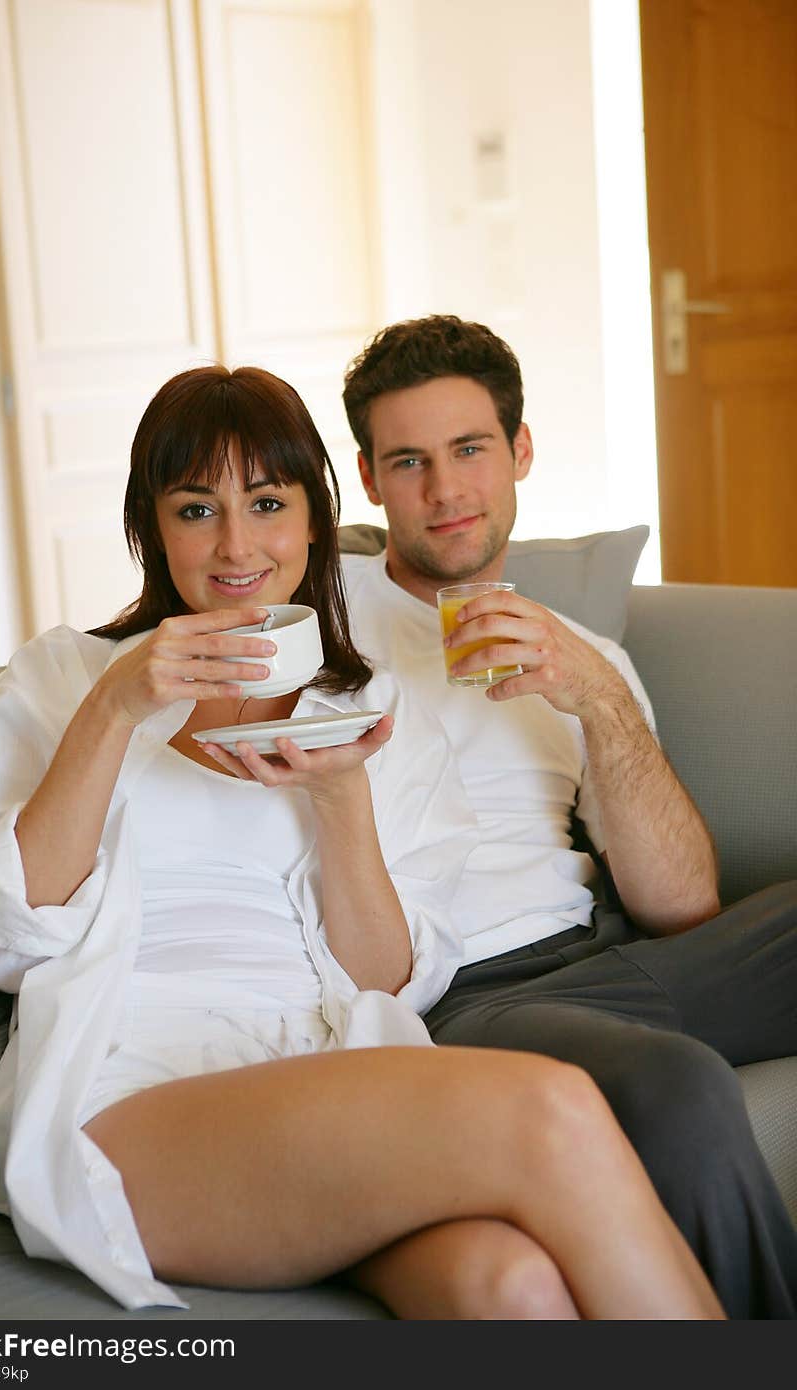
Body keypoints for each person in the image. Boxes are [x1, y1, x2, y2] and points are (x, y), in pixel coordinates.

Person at [0, 364, 723, 1320]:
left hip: (329, 1072)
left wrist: (343, 801)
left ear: (314, 520)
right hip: (137, 1098)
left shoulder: (373, 711)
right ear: (149, 527)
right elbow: (4, 935)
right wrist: (117, 706)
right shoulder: (63, 680)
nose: (236, 544)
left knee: (510, 1286)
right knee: (553, 1107)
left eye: (266, 502)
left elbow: (386, 980)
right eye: (194, 508)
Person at [335, 314, 797, 1319]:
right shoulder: (319, 609)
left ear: (521, 452)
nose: (445, 490)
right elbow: (94, 679)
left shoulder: (585, 651)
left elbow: (684, 906)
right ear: (368, 480)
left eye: (468, 450)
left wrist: (597, 699)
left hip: (616, 955)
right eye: (407, 461)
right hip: (464, 997)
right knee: (678, 1088)